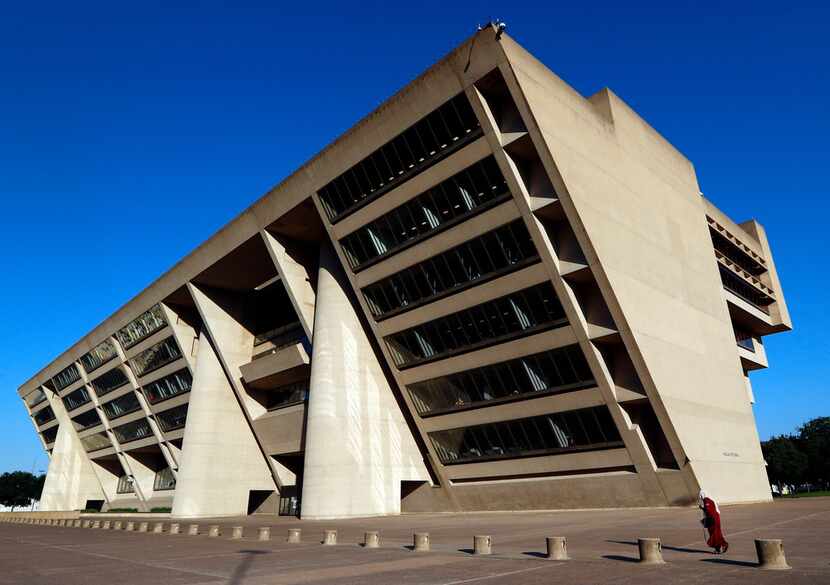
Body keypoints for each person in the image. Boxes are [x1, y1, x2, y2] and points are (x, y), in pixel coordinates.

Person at [698, 489, 729, 554]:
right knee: (715, 534)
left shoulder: (706, 500)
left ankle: (723, 545)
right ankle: (718, 548)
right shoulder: (709, 500)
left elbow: (709, 510)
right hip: (715, 518)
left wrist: (704, 510)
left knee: (715, 534)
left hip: (713, 519)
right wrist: (703, 508)